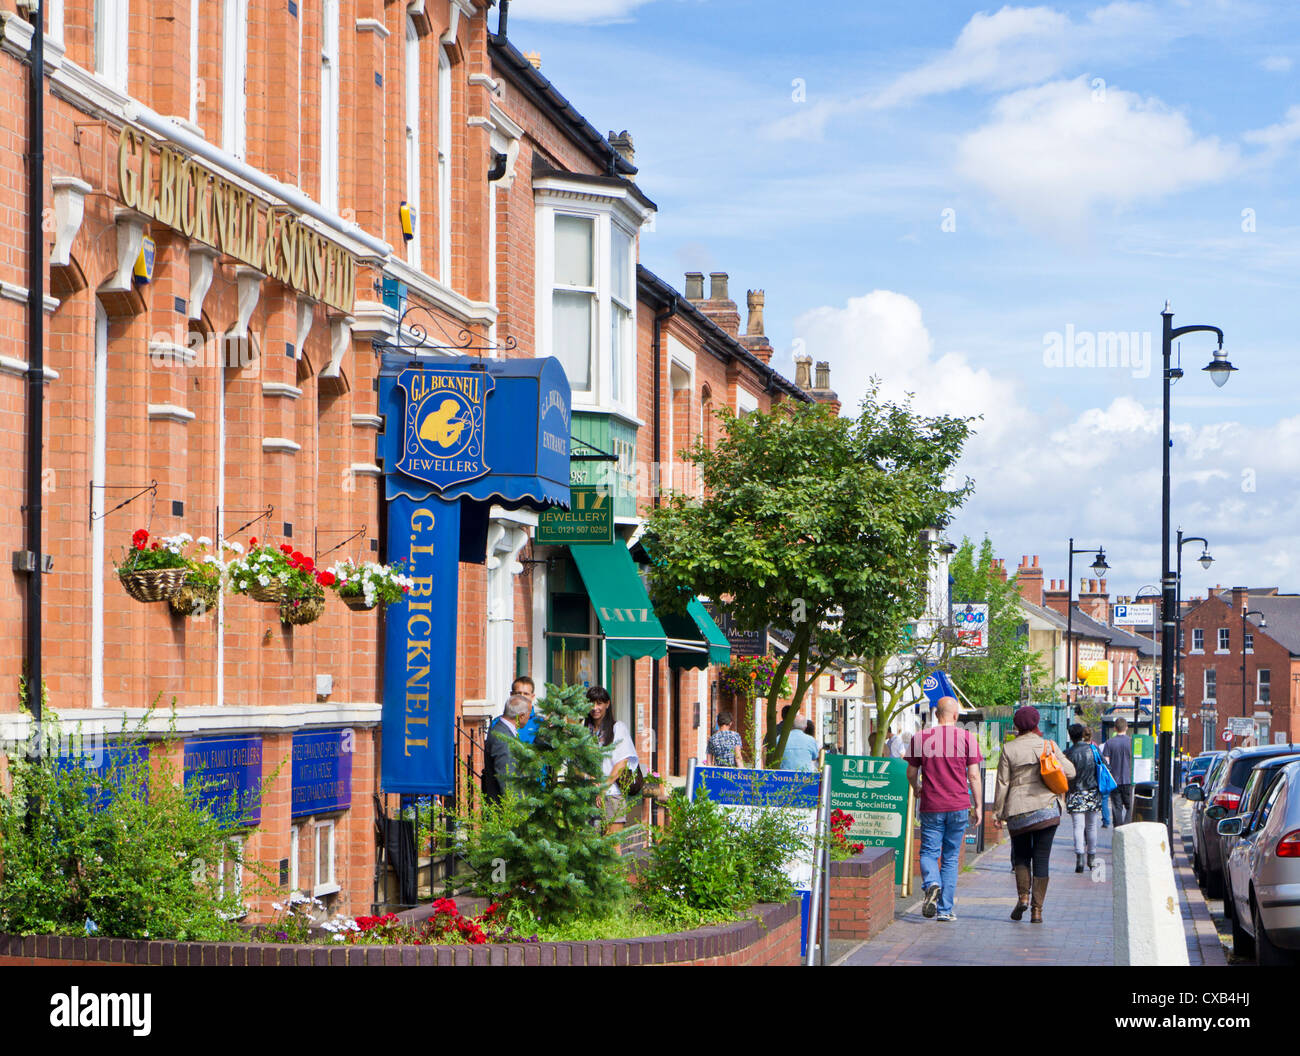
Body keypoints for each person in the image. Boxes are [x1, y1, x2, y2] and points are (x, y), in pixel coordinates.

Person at [993, 705, 1075, 924]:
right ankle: (1037, 911)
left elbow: (1003, 784)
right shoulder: (1049, 745)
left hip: (1018, 811)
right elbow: (1071, 771)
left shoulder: (1009, 749)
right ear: (1037, 723)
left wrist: (998, 814)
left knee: (1020, 855)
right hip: (1046, 811)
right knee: (1041, 859)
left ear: (1017, 726)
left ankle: (1023, 897)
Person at [905, 696, 982, 923]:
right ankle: (945, 910)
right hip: (958, 804)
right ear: (956, 716)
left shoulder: (921, 737)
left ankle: (931, 883)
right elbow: (974, 775)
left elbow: (910, 772)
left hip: (932, 804)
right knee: (950, 858)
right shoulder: (967, 738)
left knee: (929, 851)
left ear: (936, 714)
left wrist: (916, 786)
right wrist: (978, 805)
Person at [585, 686, 638, 832]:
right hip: (588, 793)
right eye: (591, 703)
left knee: (612, 847)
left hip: (611, 794)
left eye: (599, 703)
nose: (595, 708)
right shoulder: (584, 731)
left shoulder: (617, 728)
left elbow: (621, 762)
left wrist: (602, 788)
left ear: (607, 704)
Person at [1063, 724, 1102, 872]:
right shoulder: (1093, 750)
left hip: (1074, 793)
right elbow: (1105, 767)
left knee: (1078, 827)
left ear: (1070, 736)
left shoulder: (1068, 753)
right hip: (1092, 792)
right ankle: (1091, 858)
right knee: (1092, 826)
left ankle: (1079, 859)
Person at [482, 693, 533, 803]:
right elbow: (507, 779)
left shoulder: (503, 731)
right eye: (529, 714)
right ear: (521, 716)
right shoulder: (503, 739)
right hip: (507, 811)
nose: (530, 717)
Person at [1102, 718, 1135, 826]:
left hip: (1114, 780)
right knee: (1131, 806)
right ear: (1126, 727)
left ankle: (1118, 829)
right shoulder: (1132, 742)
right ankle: (1126, 826)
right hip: (1129, 779)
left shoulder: (1109, 743)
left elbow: (1106, 762)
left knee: (1117, 807)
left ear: (1115, 728)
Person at [778, 705, 822, 771]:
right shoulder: (810, 740)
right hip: (804, 777)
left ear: (792, 725)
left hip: (784, 777)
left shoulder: (780, 738)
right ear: (805, 727)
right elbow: (814, 756)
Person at [510, 676, 542, 744]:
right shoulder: (500, 722)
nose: (522, 697)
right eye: (518, 693)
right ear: (511, 695)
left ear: (532, 697)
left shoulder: (541, 724)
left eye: (526, 694)